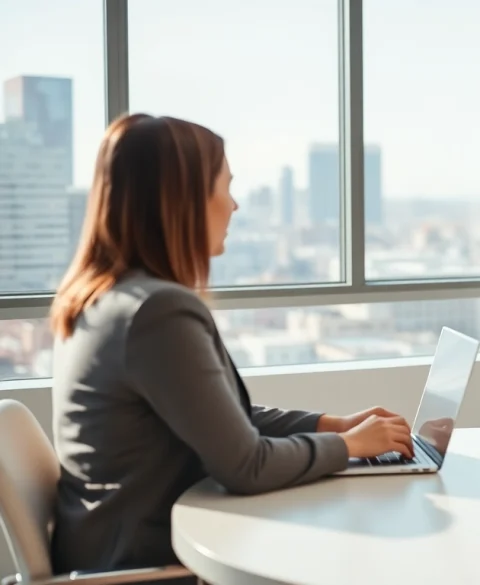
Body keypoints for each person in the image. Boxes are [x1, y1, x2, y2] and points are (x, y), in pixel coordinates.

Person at [48, 113, 414, 578]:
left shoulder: (106, 297)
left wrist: (333, 424)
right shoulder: (157, 313)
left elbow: (216, 419)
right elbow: (247, 465)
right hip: (144, 567)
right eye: (225, 187)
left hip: (103, 550)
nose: (235, 206)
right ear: (181, 201)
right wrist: (347, 445)